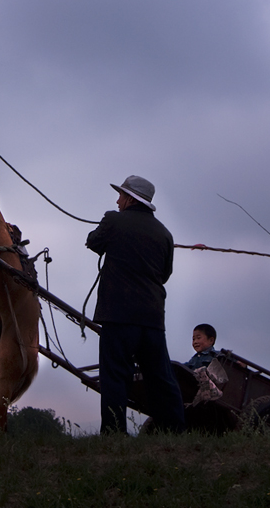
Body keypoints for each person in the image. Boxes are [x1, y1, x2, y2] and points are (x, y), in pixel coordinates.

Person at [86, 175, 186, 435]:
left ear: (130, 198)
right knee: (161, 379)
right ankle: (176, 432)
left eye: (120, 195)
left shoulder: (113, 220)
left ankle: (114, 434)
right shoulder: (165, 233)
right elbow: (164, 275)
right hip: (152, 318)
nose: (117, 200)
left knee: (115, 377)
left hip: (118, 315)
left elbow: (92, 242)